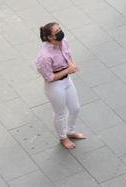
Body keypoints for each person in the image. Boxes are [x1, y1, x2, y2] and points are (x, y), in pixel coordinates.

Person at [34, 22, 87, 150]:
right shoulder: (44, 57)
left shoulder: (63, 41)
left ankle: (70, 131)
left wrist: (71, 64)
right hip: (54, 86)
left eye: (60, 29)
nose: (60, 32)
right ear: (49, 37)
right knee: (60, 113)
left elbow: (68, 54)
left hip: (67, 80)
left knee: (75, 108)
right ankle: (63, 137)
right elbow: (49, 78)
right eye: (56, 31)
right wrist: (68, 70)